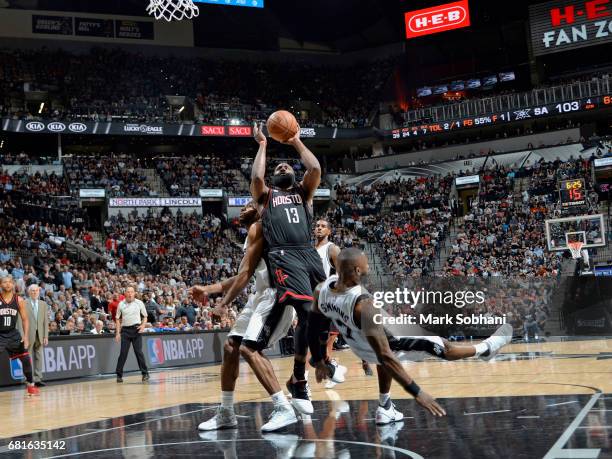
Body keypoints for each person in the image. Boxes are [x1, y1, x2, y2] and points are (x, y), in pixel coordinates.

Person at [309, 248, 513, 424]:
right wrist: (417, 392)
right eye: (366, 265)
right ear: (356, 270)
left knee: (381, 357)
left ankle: (385, 408)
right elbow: (386, 355)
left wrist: (319, 360)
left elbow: (314, 327)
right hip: (390, 342)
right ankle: (486, 348)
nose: (369, 268)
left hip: (362, 345)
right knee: (443, 346)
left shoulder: (323, 290)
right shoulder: (363, 305)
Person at [192, 202, 297, 432]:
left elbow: (245, 274)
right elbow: (243, 273)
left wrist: (223, 303)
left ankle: (283, 407)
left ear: (261, 209)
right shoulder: (253, 233)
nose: (242, 208)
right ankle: (226, 412)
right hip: (260, 295)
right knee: (231, 347)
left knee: (250, 348)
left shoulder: (261, 227)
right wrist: (209, 290)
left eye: (249, 204)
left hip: (276, 294)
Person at [248, 122, 326, 422]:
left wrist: (295, 141)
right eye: (277, 166)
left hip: (308, 254)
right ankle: (301, 378)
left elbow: (315, 168)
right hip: (284, 256)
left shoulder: (304, 193)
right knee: (306, 309)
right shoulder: (266, 196)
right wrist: (264, 145)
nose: (283, 166)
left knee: (326, 308)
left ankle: (308, 371)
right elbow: (256, 176)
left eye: (286, 165)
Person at [314, 218, 372, 386]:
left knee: (338, 336)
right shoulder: (311, 250)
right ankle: (333, 367)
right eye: (317, 226)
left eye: (323, 226)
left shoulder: (332, 248)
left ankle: (362, 359)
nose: (319, 228)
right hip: (318, 299)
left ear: (329, 231)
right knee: (324, 339)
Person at [0, 274, 39, 396]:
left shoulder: (19, 300)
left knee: (26, 358)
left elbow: (25, 319)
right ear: (1, 285)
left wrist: (26, 336)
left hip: (12, 334)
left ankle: (31, 384)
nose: (7, 284)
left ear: (13, 285)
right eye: (4, 282)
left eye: (9, 282)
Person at [115, 286, 149, 383]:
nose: (130, 294)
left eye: (131, 292)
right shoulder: (121, 304)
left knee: (139, 352)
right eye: (128, 292)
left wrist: (143, 326)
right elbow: (117, 319)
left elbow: (145, 316)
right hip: (125, 331)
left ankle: (145, 373)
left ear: (134, 293)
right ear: (125, 293)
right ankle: (119, 375)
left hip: (136, 330)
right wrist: (118, 333)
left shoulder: (139, 303)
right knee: (123, 353)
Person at [17, 284, 49, 387]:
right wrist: (23, 336)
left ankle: (38, 378)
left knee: (39, 356)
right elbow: (19, 321)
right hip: (28, 334)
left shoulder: (43, 304)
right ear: (29, 292)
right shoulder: (23, 303)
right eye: (32, 291)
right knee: (28, 357)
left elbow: (45, 321)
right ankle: (29, 379)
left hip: (39, 334)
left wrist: (45, 336)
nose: (34, 292)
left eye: (36, 291)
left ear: (39, 292)